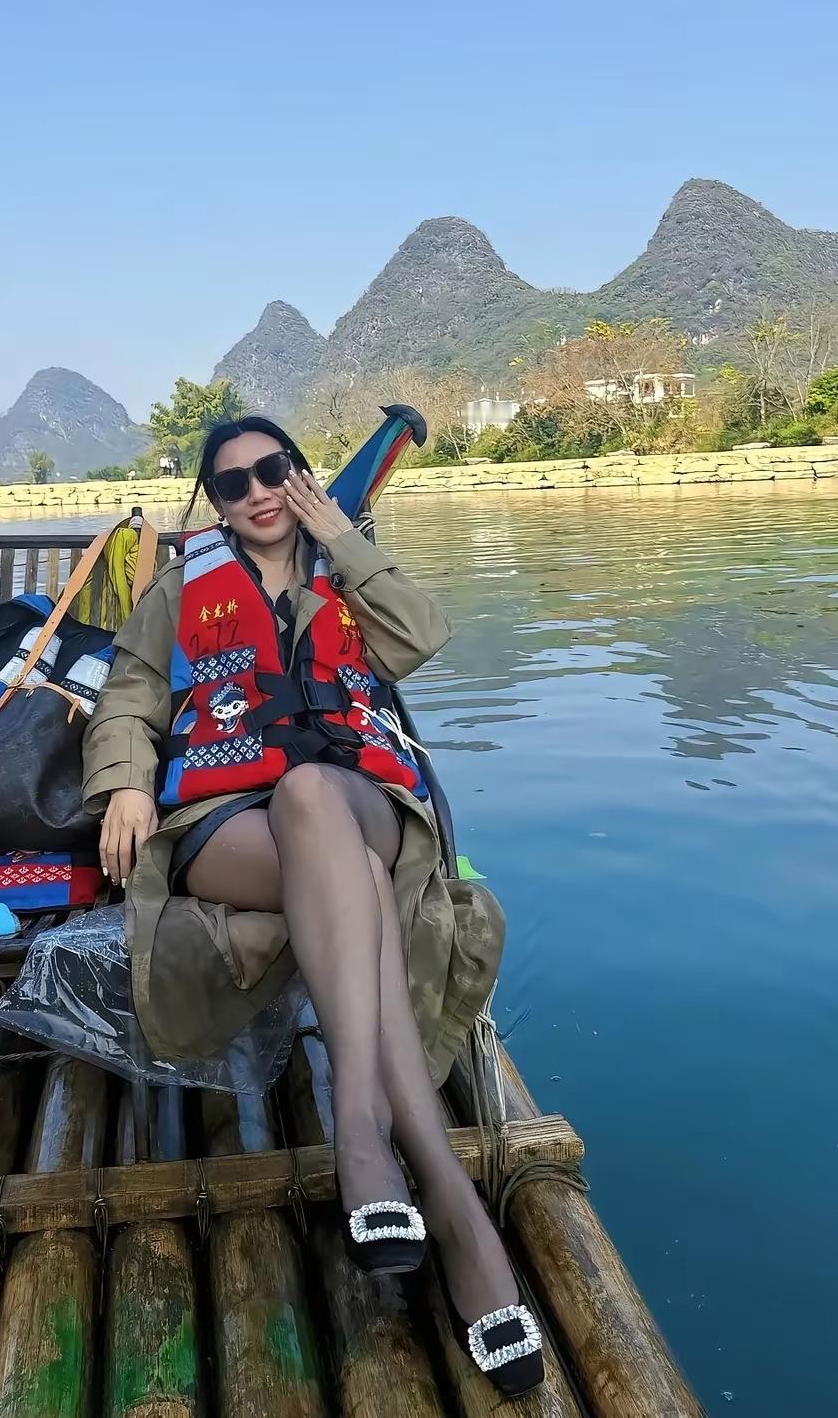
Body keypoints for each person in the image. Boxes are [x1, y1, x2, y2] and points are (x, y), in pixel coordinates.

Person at [82, 417, 540, 1393]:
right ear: (211, 499)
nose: (254, 490)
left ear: (295, 473)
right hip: (226, 818)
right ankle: (447, 1197)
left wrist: (339, 534)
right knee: (326, 844)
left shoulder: (347, 570)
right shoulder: (179, 589)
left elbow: (420, 637)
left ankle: (361, 1137)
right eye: (231, 480)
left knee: (312, 794)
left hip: (354, 799)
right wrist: (125, 781)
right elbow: (126, 695)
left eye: (271, 469)